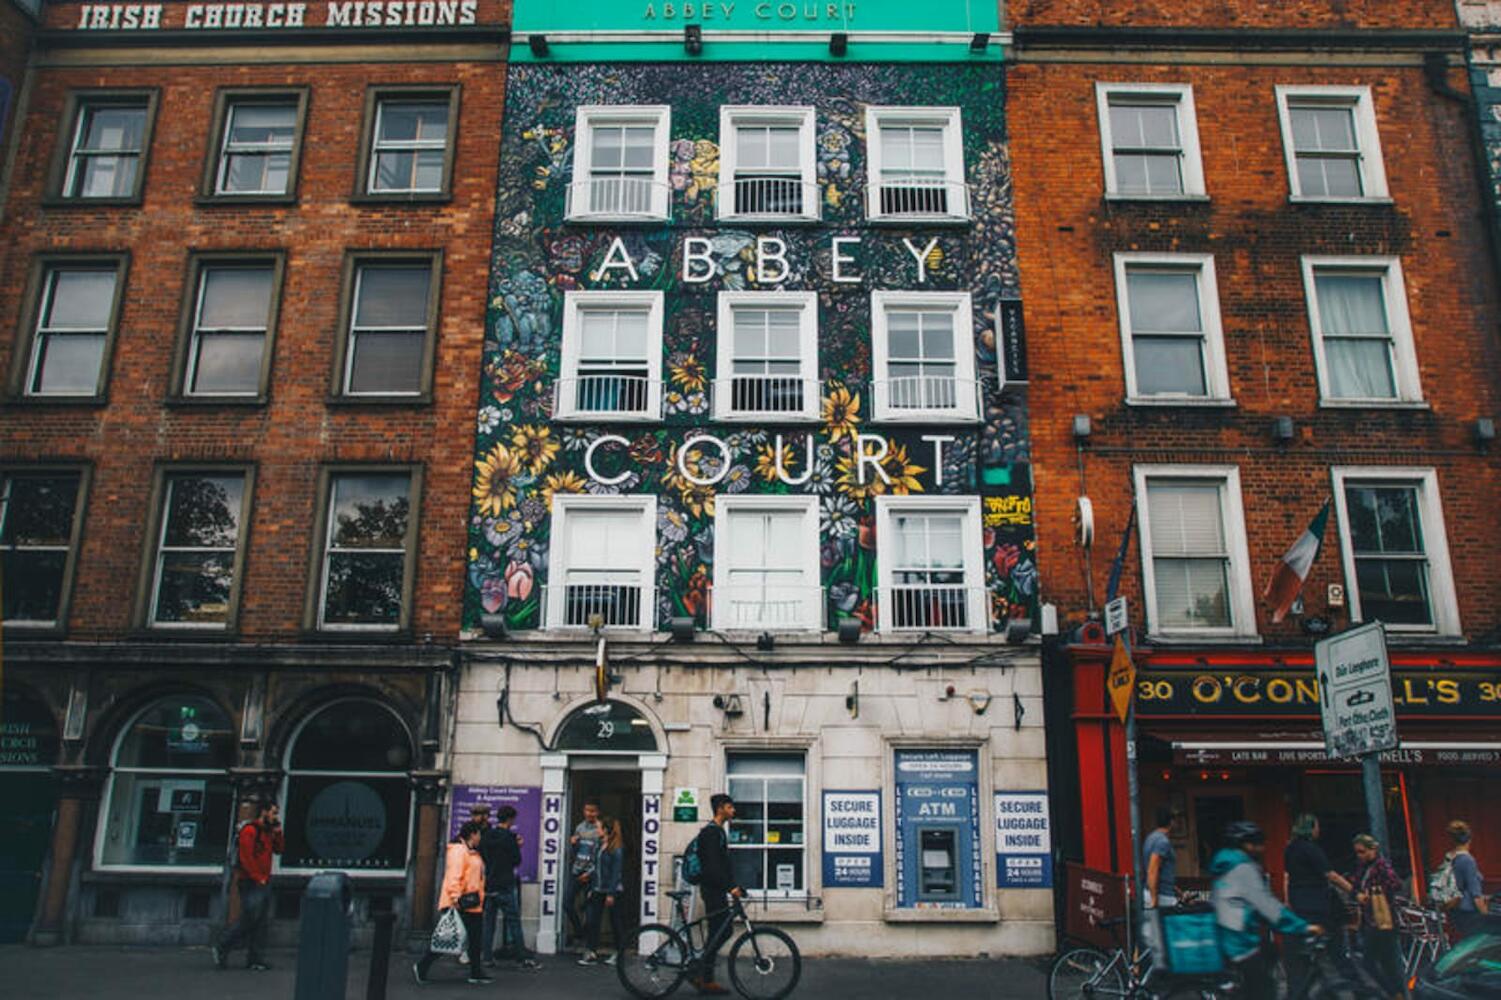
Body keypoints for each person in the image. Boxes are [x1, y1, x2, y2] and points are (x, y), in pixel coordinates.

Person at [1210, 820, 1317, 1000]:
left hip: (1225, 937)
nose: (1262, 848)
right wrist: (1303, 927)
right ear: (1246, 844)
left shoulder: (1225, 864)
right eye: (1258, 843)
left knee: (1268, 956)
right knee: (1264, 989)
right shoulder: (1242, 869)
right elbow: (1268, 908)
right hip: (1239, 943)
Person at [1282, 814, 1355, 994]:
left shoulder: (1290, 850)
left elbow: (1287, 877)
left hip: (1299, 907)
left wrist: (1288, 901)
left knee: (1302, 955)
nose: (1318, 830)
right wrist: (1355, 892)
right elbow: (1330, 875)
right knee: (1337, 950)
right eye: (1316, 827)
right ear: (1310, 828)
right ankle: (1353, 985)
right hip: (1318, 907)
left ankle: (1304, 986)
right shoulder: (1311, 849)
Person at [414, 820, 491, 985]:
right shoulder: (459, 851)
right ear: (472, 834)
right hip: (461, 903)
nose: (480, 837)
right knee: (448, 937)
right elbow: (454, 876)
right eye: (479, 834)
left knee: (475, 939)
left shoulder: (472, 852)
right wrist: (456, 898)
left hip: (473, 902)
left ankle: (476, 972)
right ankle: (422, 965)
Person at [213, 798, 284, 972]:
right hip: (251, 881)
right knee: (250, 918)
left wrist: (278, 832)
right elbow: (246, 857)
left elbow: (279, 850)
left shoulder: (268, 831)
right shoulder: (250, 831)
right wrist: (257, 877)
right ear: (264, 812)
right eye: (274, 812)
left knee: (260, 922)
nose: (276, 816)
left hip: (264, 880)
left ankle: (255, 959)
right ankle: (223, 945)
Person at [691, 793, 743, 997]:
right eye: (730, 807)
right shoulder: (712, 833)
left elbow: (722, 865)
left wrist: (733, 885)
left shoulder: (717, 831)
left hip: (716, 888)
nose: (733, 811)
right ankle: (704, 977)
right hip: (712, 889)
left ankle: (703, 975)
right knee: (719, 931)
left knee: (719, 931)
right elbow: (713, 867)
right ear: (721, 808)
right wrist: (730, 887)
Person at [485, 804, 540, 969]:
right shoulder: (510, 838)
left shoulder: (488, 835)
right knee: (514, 922)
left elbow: (483, 854)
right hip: (506, 884)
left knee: (488, 923)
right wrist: (518, 846)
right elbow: (516, 860)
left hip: (490, 883)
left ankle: (486, 957)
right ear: (510, 819)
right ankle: (521, 958)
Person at [1351, 833, 1404, 999]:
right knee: (1383, 962)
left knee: (1384, 962)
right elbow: (1354, 888)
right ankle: (1396, 993)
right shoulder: (1363, 868)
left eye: (1362, 851)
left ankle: (1396, 993)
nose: (1360, 855)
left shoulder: (1382, 866)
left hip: (1384, 920)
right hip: (1370, 921)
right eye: (1358, 852)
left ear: (1372, 849)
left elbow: (1396, 884)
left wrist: (1375, 890)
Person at [580, 816, 629, 967]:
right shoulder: (600, 845)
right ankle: (591, 952)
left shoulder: (617, 848)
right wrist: (591, 881)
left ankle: (619, 953)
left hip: (611, 890)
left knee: (616, 923)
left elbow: (616, 873)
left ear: (606, 829)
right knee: (593, 921)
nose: (597, 830)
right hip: (598, 889)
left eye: (599, 827)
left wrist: (611, 894)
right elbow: (597, 867)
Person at [564, 798, 603, 952]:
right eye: (587, 810)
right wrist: (573, 844)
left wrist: (591, 872)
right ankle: (579, 931)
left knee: (591, 911)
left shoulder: (600, 830)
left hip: (592, 875)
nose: (589, 814)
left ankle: (590, 944)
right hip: (577, 870)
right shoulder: (580, 827)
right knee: (567, 903)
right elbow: (576, 851)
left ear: (597, 812)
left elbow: (601, 855)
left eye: (592, 811)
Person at [1445, 819, 1490, 940]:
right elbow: (1476, 894)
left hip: (1456, 909)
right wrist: (1486, 915)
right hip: (1470, 911)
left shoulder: (1451, 858)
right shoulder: (1468, 860)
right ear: (1470, 839)